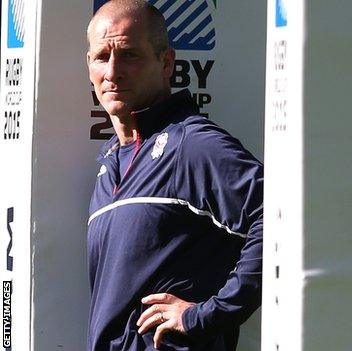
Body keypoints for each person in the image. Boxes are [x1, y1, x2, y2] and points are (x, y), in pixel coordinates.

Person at [85, 1, 263, 350]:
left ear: (166, 62)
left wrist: (207, 315)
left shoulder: (192, 145)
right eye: (101, 57)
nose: (113, 71)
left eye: (130, 55)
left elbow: (282, 217)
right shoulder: (110, 161)